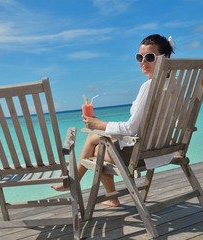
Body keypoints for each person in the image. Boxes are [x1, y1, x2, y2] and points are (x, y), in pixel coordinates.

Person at [51, 34, 175, 207]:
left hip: (143, 153)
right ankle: (92, 188)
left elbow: (131, 129)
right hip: (166, 149)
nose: (143, 62)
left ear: (165, 58)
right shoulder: (175, 84)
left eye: (150, 57)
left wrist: (99, 124)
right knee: (96, 140)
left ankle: (78, 183)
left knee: (97, 150)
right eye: (140, 57)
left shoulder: (149, 87)